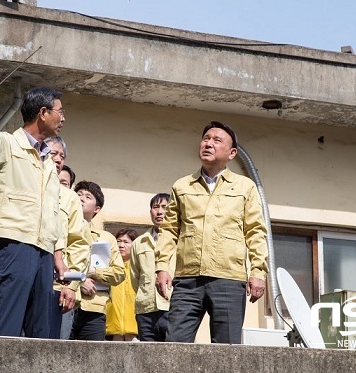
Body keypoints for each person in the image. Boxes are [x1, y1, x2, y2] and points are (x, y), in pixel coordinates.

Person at [155, 121, 269, 344]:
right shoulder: (182, 186)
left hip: (228, 279)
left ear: (232, 153)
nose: (208, 143)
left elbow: (255, 232)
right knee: (175, 345)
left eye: (217, 140)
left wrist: (258, 272)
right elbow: (169, 230)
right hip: (187, 280)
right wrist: (161, 267)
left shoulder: (245, 187)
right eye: (206, 138)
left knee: (226, 351)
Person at [0, 87, 65, 338]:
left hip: (44, 250)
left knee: (41, 330)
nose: (63, 118)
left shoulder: (49, 161)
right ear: (43, 113)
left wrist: (58, 253)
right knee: (8, 325)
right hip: (14, 244)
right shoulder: (9, 144)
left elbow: (55, 214)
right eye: (60, 112)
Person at [44, 136, 92, 339]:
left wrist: (71, 285)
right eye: (53, 153)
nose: (58, 160)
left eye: (62, 156)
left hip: (57, 286)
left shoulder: (70, 198)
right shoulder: (25, 187)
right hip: (25, 281)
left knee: (55, 347)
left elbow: (79, 244)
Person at [70, 180, 125, 341]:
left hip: (95, 307)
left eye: (88, 197)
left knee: (91, 359)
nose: (81, 198)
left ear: (97, 209)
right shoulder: (62, 229)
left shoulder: (106, 238)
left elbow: (119, 273)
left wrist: (93, 272)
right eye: (78, 194)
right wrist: (80, 281)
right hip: (66, 302)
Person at [129, 193, 174, 341]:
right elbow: (135, 277)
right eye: (155, 207)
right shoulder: (139, 242)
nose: (159, 211)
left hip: (172, 307)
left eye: (164, 207)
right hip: (145, 310)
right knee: (146, 359)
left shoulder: (179, 240)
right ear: (150, 212)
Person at [106, 228, 139, 341]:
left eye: (126, 242)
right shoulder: (109, 267)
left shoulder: (138, 268)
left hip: (135, 328)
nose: (121, 245)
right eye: (118, 241)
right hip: (112, 327)